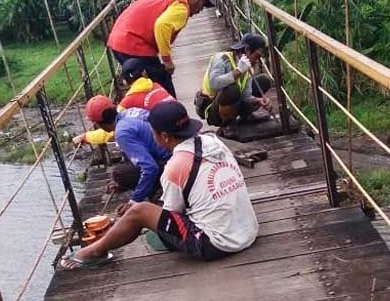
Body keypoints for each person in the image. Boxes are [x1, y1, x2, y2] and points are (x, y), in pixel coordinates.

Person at [61, 101, 259, 269]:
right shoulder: (212, 141)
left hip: (218, 244)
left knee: (140, 211)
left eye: (153, 133)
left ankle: (95, 250)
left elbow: (172, 215)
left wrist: (137, 214)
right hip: (249, 230)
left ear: (164, 136)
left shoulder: (176, 166)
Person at [107, 0, 215, 98]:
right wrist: (167, 60)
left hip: (118, 41)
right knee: (164, 87)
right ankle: (172, 114)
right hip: (133, 43)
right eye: (203, 4)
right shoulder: (181, 7)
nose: (201, 10)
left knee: (145, 86)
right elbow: (162, 26)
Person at [72, 95, 170, 207]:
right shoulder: (131, 112)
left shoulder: (122, 132)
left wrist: (134, 201)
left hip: (168, 162)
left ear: (97, 123)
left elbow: (150, 168)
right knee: (128, 163)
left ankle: (154, 195)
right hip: (171, 151)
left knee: (120, 174)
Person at [195, 33, 274, 127]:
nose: (257, 60)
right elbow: (214, 83)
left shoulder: (248, 67)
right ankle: (227, 123)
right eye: (256, 56)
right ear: (247, 50)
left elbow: (246, 97)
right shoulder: (222, 59)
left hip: (234, 102)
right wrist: (238, 71)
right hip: (212, 108)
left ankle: (246, 116)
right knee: (233, 89)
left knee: (264, 80)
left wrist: (258, 100)